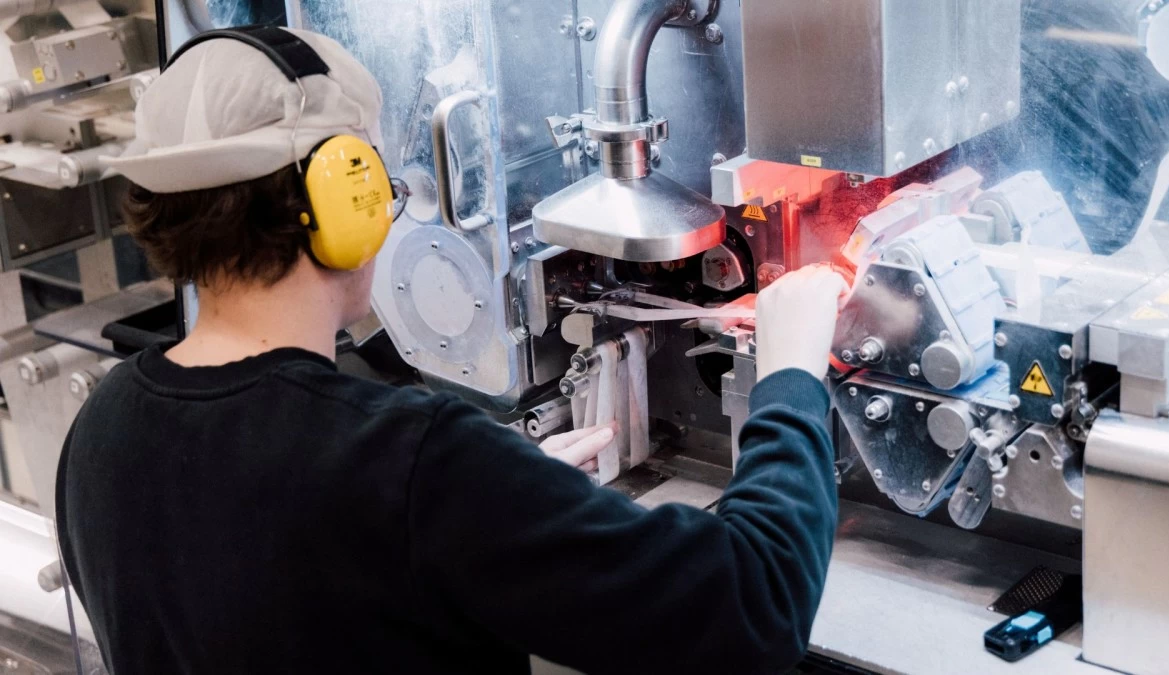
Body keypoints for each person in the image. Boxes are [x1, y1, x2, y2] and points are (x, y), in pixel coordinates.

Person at [55, 26, 849, 675]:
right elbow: (754, 609)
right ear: (343, 194)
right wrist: (788, 378)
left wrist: (498, 494)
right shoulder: (411, 465)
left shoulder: (99, 432)